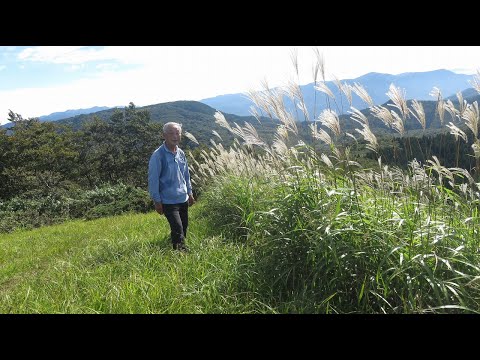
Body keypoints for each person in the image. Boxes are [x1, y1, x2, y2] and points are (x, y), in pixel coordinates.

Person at [148, 122, 195, 252]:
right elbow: (153, 180)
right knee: (178, 228)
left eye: (177, 133)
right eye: (171, 133)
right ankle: (180, 255)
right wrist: (157, 201)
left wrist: (189, 193)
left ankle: (178, 247)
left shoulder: (181, 153)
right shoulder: (158, 155)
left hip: (183, 198)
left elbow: (186, 174)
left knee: (183, 228)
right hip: (168, 200)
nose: (175, 136)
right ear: (164, 135)